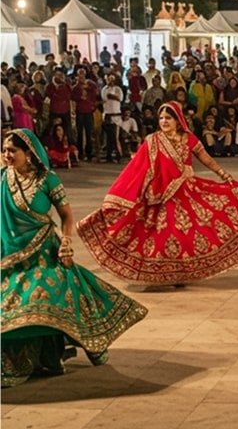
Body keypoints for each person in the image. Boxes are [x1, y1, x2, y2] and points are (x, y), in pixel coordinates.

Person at [2, 129, 148, 387]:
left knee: (41, 298)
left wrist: (66, 241)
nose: (6, 154)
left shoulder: (48, 179)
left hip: (44, 252)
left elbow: (66, 215)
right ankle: (26, 359)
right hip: (9, 253)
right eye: (4, 150)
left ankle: (47, 355)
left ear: (29, 153)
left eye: (12, 150)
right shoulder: (3, 178)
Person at [76, 102, 238, 285]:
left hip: (187, 192)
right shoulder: (152, 140)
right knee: (163, 235)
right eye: (161, 118)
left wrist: (223, 174)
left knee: (193, 232)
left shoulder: (188, 138)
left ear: (177, 120)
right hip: (159, 195)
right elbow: (137, 168)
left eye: (168, 118)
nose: (164, 121)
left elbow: (205, 158)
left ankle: (181, 273)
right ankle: (163, 274)